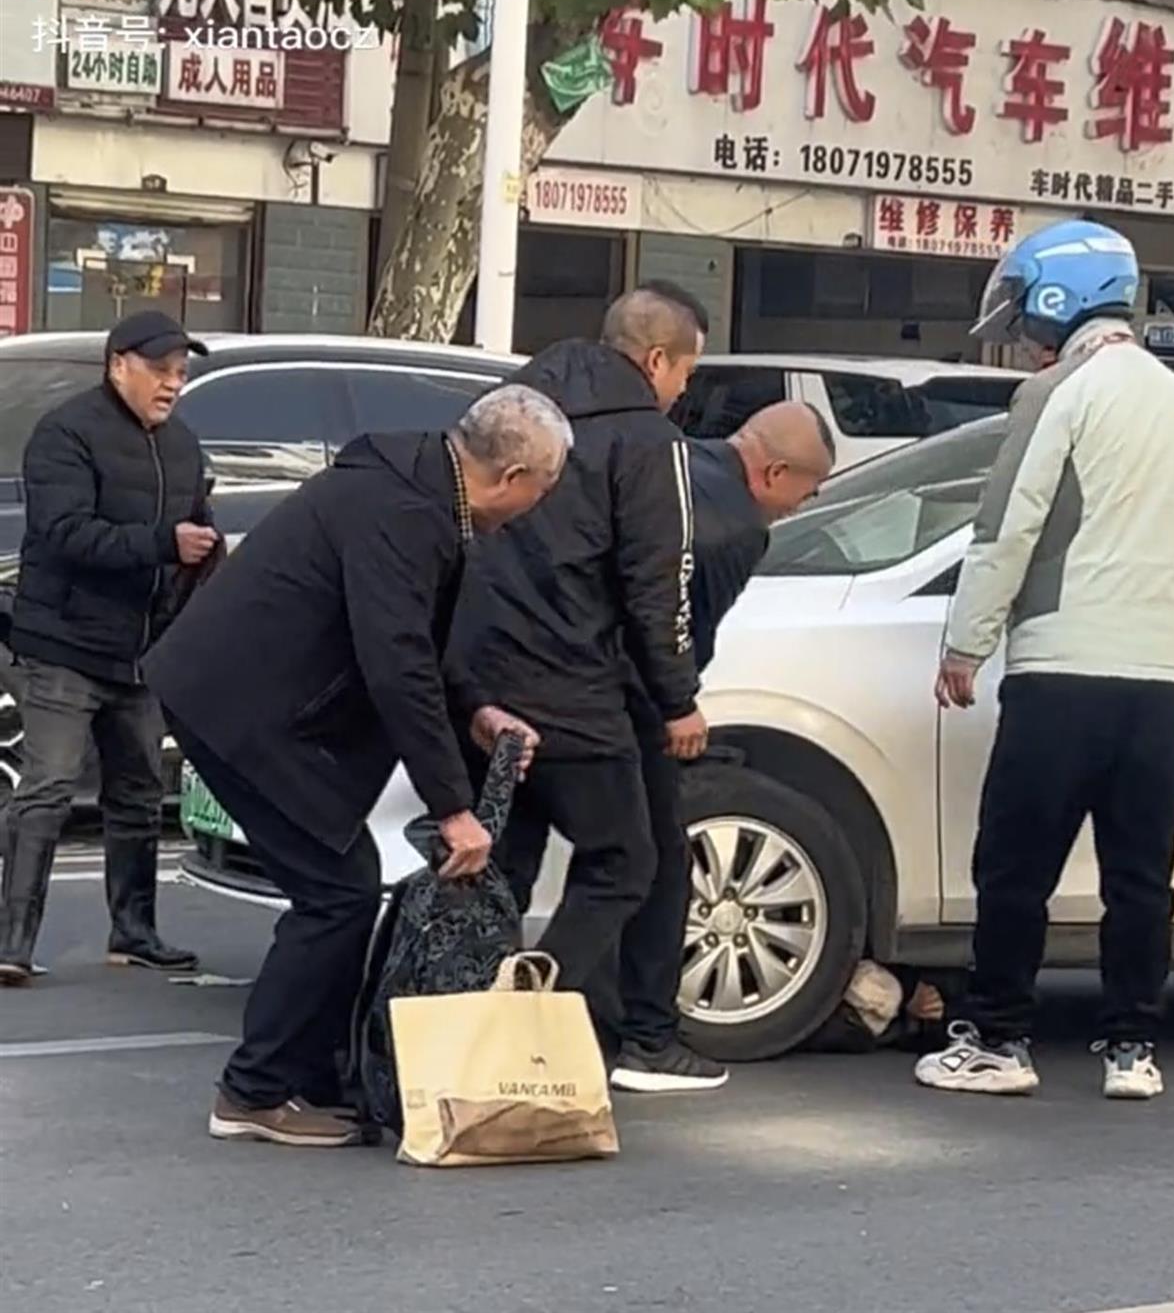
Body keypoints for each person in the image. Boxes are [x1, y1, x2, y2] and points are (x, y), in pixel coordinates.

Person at [143, 387, 571, 1148]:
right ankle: (253, 1091)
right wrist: (453, 807)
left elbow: (414, 639)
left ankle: (311, 1075)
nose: (540, 506)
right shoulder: (406, 512)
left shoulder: (418, 484)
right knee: (336, 893)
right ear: (512, 476)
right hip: (240, 706)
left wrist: (476, 709)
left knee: (342, 881)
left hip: (248, 695)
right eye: (545, 488)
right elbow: (395, 660)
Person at [915, 218, 1174, 1101]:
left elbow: (1008, 526)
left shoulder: (1056, 394)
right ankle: (1132, 1048)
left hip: (1062, 668)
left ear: (1053, 300)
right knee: (1140, 877)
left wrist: (967, 641)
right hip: (1162, 676)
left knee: (1016, 866)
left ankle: (998, 1038)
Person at [499, 401, 836, 1091]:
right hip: (616, 699)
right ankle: (632, 1034)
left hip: (526, 673)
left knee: (533, 857)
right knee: (647, 859)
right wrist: (676, 706)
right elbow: (677, 627)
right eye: (809, 490)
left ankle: (506, 1016)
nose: (806, 504)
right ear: (774, 473)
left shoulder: (678, 462)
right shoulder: (737, 528)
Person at [450, 287, 708, 1021]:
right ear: (655, 360)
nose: (682, 391)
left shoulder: (506, 408)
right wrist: (678, 699)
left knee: (501, 862)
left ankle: (459, 1015)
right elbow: (658, 583)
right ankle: (532, 1003)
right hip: (573, 685)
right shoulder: (649, 441)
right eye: (685, 372)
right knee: (625, 859)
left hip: (478, 679)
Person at [0, 311, 217, 987]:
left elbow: (196, 528)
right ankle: (12, 943)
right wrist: (162, 543)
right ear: (118, 364)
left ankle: (135, 932)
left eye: (181, 372)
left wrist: (203, 560)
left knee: (139, 792)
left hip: (141, 650)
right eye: (160, 370)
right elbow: (64, 532)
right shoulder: (66, 432)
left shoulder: (183, 445)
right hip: (63, 642)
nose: (172, 384)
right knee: (49, 787)